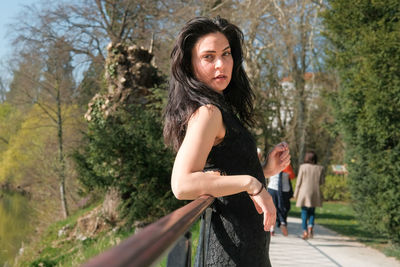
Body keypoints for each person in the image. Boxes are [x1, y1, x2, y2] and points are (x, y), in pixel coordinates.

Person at [163, 16, 291, 267]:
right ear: (191, 65)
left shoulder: (222, 109)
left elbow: (225, 173)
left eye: (226, 54)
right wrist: (251, 183)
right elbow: (181, 184)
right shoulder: (207, 112)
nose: (221, 64)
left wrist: (264, 170)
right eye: (208, 57)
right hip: (231, 255)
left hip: (250, 251)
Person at [293, 151, 325, 239]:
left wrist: (295, 194)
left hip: (304, 192)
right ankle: (310, 226)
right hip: (315, 192)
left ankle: (305, 231)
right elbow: (322, 182)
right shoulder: (320, 168)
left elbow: (299, 182)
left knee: (304, 212)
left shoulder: (303, 167)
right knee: (312, 212)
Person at [267, 164, 295, 236]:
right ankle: (283, 222)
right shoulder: (287, 164)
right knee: (284, 207)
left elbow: (266, 174)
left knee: (272, 208)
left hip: (272, 189)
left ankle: (271, 229)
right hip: (284, 190)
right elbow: (292, 177)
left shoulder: (272, 163)